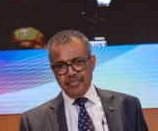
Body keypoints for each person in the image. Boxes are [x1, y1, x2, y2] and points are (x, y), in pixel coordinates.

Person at [19, 30, 148, 131]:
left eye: (78, 62)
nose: (70, 72)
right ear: (53, 70)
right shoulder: (33, 122)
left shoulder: (129, 106)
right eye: (61, 66)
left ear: (92, 63)